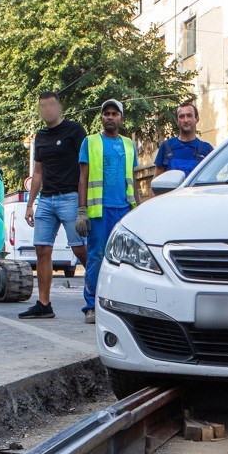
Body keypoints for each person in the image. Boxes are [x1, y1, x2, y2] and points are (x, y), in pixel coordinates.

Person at [19, 91, 88, 319]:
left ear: (59, 107)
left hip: (70, 197)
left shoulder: (74, 130)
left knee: (80, 249)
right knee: (41, 249)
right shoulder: (40, 136)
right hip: (46, 200)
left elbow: (85, 168)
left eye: (51, 105)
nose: (47, 109)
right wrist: (30, 204)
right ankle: (44, 304)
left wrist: (83, 204)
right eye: (43, 106)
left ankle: (99, 295)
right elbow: (38, 172)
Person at [77, 98, 140, 324]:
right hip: (100, 212)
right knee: (96, 257)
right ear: (102, 117)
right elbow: (83, 178)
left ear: (121, 118)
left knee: (126, 260)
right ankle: (91, 307)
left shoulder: (128, 144)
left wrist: (138, 210)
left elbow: (133, 179)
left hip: (124, 210)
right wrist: (82, 210)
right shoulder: (90, 142)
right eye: (107, 114)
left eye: (115, 114)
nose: (110, 117)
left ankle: (122, 306)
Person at [155, 101, 213, 176]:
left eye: (189, 115)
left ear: (197, 119)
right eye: (181, 116)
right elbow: (156, 180)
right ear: (177, 121)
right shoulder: (166, 146)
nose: (186, 120)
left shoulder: (207, 149)